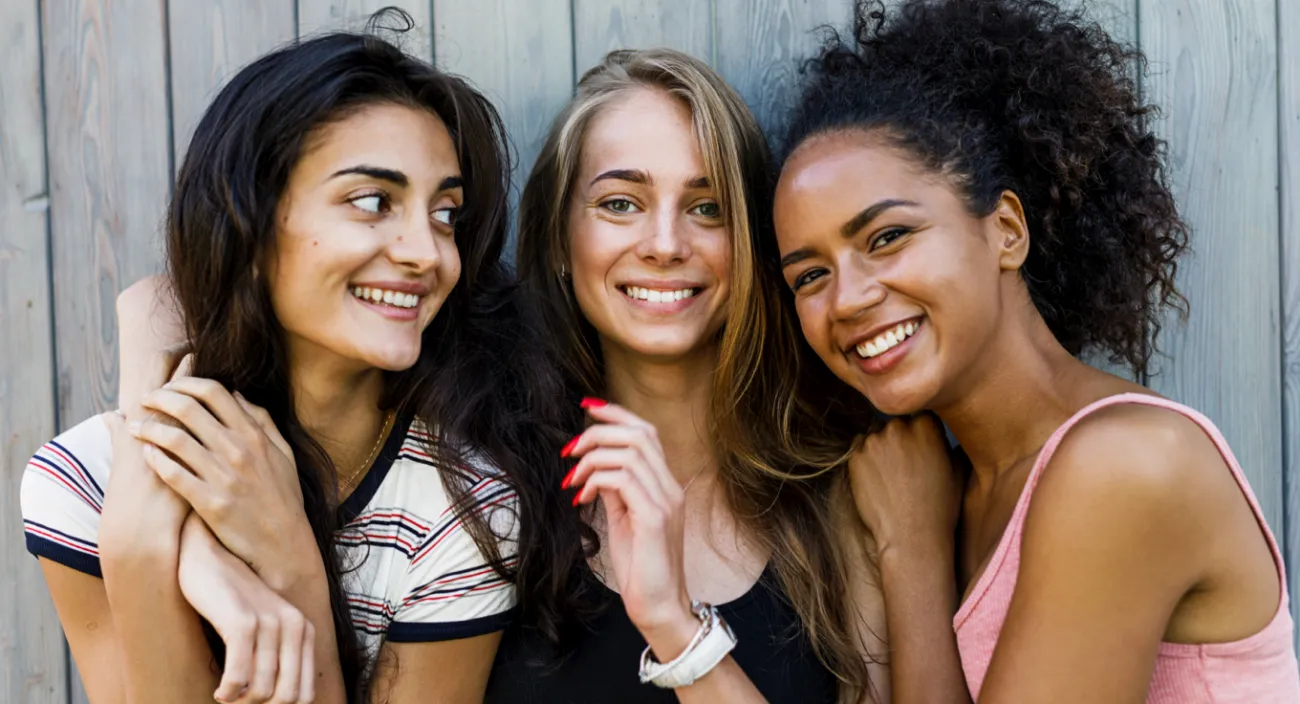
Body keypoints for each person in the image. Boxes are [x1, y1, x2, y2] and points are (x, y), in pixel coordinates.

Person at [768, 0, 1300, 701]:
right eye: (810, 275)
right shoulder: (949, 484)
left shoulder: (1124, 466)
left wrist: (912, 556)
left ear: (1007, 232)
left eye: (887, 237)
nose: (848, 298)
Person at [21, 17, 559, 703]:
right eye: (373, 201)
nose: (427, 252)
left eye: (446, 213)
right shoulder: (82, 484)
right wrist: (140, 543)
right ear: (248, 217)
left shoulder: (460, 510)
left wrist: (297, 571)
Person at [484, 48, 890, 703]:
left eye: (707, 208)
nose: (666, 243)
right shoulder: (489, 492)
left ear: (753, 243)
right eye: (620, 203)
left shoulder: (843, 491)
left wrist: (676, 627)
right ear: (560, 240)